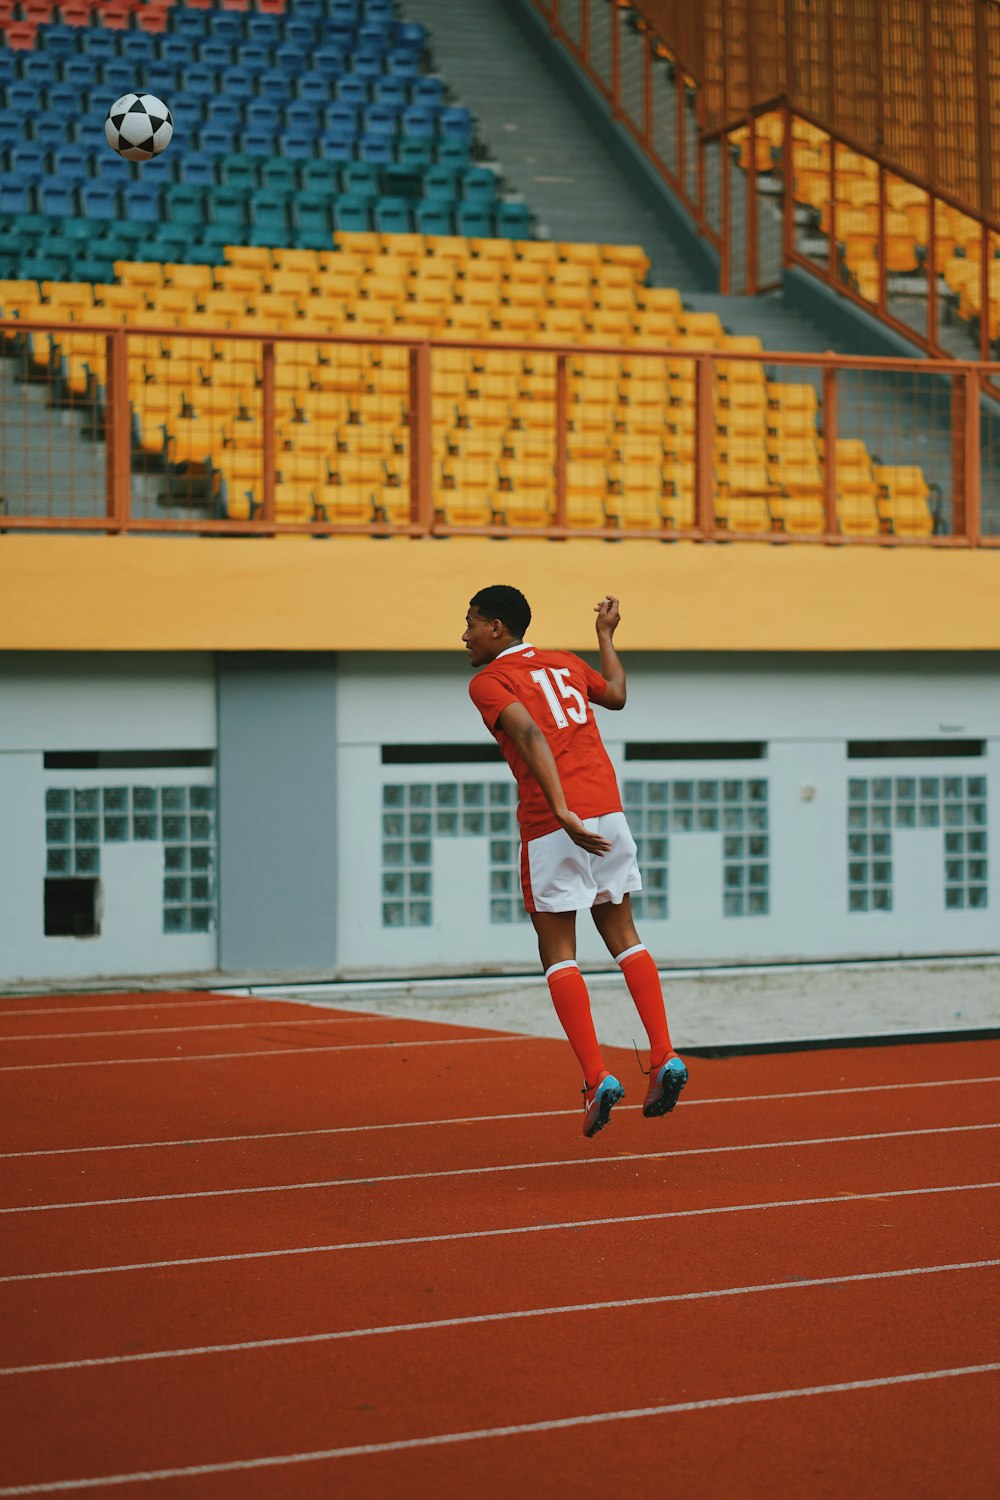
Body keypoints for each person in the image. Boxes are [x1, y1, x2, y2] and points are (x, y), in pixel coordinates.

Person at [464, 583, 687, 1138]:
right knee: (625, 934)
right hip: (608, 809)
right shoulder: (563, 661)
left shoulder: (488, 680)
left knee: (557, 951)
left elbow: (529, 731)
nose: (463, 634)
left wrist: (561, 810)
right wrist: (606, 637)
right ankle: (664, 1054)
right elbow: (614, 694)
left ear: (497, 628)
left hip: (553, 821)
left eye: (470, 623)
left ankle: (596, 1076)